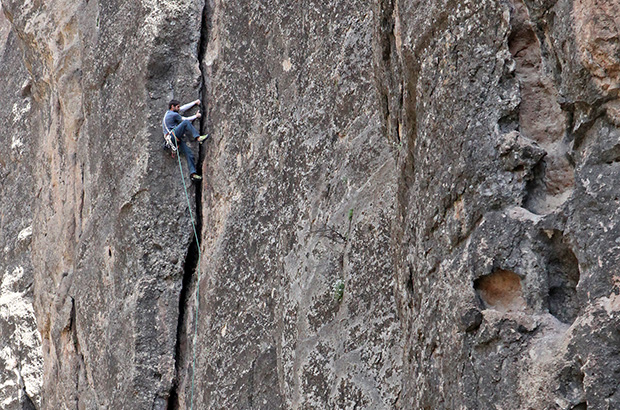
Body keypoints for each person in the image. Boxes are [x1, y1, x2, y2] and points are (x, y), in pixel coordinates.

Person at [162, 99, 209, 181]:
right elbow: (184, 119)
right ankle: (198, 137)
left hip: (173, 140)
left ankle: (193, 174)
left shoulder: (169, 113)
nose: (179, 108)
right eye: (177, 107)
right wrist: (196, 116)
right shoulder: (172, 114)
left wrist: (194, 102)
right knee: (186, 123)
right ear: (172, 107)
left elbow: (183, 108)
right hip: (173, 136)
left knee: (189, 153)